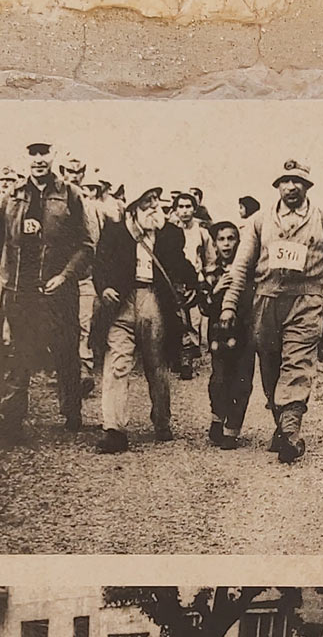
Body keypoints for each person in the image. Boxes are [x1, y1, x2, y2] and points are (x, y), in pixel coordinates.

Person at [221, 160, 323, 463]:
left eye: (297, 181)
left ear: (307, 186)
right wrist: (229, 305)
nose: (291, 187)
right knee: (271, 368)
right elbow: (241, 267)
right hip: (266, 302)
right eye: (285, 181)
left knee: (297, 365)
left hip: (306, 302)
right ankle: (283, 427)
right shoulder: (261, 221)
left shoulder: (322, 218)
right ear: (277, 186)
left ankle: (291, 433)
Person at [0, 141, 94, 438]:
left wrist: (65, 276)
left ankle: (71, 410)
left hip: (57, 292)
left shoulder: (70, 194)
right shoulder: (12, 196)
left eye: (44, 153)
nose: (39, 159)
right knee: (18, 354)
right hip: (20, 290)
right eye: (33, 154)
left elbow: (86, 246)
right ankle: (12, 417)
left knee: (65, 352)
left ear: (52, 157)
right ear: (26, 159)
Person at [93, 184, 197, 454]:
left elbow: (180, 263)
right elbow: (100, 265)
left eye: (156, 201)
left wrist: (194, 283)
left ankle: (162, 420)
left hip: (154, 301)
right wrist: (104, 288)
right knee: (117, 363)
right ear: (133, 208)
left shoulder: (170, 234)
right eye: (146, 202)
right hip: (122, 304)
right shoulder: (116, 233)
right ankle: (114, 428)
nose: (153, 207)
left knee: (157, 364)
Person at [203, 219, 255, 449]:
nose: (226, 244)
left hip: (244, 331)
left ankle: (232, 429)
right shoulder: (211, 273)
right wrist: (216, 290)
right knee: (219, 379)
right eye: (221, 239)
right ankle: (218, 415)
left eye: (231, 238)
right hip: (218, 333)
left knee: (242, 379)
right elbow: (204, 306)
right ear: (215, 244)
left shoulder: (247, 271)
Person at [61, 154, 99, 396]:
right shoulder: (52, 202)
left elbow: (101, 241)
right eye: (70, 171)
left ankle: (84, 369)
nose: (74, 176)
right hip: (58, 276)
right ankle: (65, 372)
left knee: (84, 323)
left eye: (79, 171)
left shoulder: (94, 206)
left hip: (85, 275)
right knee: (62, 327)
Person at [170, 192, 215, 379]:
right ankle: (176, 355)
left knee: (192, 319)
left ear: (194, 209)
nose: (184, 211)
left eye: (188, 206)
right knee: (175, 318)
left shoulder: (202, 232)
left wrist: (206, 280)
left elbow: (209, 258)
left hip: (194, 279)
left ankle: (187, 357)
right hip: (173, 279)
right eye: (181, 207)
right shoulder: (169, 230)